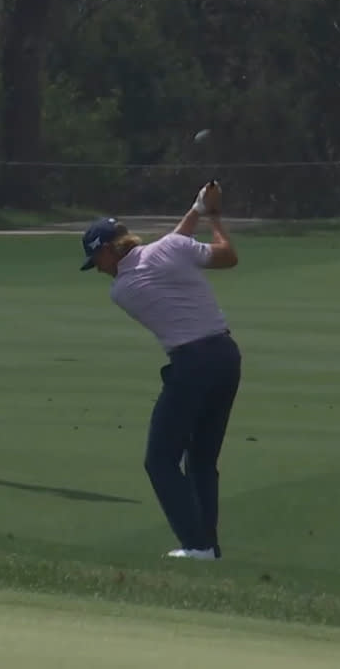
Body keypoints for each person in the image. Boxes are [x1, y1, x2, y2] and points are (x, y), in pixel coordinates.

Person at [80, 181, 241, 560]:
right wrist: (207, 213)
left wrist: (201, 210)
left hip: (192, 364)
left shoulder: (122, 289)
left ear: (107, 251)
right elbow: (224, 255)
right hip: (227, 356)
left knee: (160, 459)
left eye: (97, 261)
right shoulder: (171, 250)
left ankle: (197, 544)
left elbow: (168, 247)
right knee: (201, 459)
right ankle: (208, 546)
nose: (99, 270)